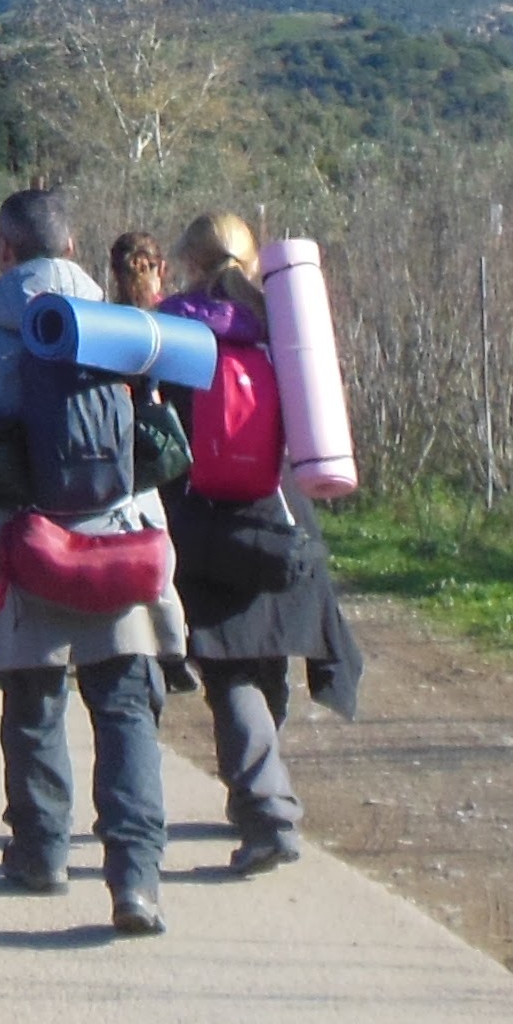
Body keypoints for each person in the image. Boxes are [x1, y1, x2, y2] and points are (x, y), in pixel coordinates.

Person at [0, 186, 187, 934]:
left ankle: (42, 850)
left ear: (4, 252)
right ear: (76, 250)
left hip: (26, 547)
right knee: (123, 705)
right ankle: (135, 878)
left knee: (34, 699)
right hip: (119, 539)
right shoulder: (128, 330)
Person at [158, 210, 366, 877]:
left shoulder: (173, 329)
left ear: (189, 262)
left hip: (207, 520)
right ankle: (261, 786)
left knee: (232, 672)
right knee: (267, 656)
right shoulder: (284, 326)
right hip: (284, 515)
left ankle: (266, 807)